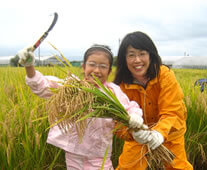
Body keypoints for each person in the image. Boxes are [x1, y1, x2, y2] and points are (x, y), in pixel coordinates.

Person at [18, 44, 145, 170]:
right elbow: (42, 86)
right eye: (92, 64)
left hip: (99, 155)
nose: (96, 70)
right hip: (73, 154)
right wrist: (29, 66)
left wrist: (135, 116)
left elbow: (130, 107)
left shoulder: (112, 92)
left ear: (109, 71)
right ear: (84, 67)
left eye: (103, 66)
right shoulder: (73, 88)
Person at [114, 31, 193, 170]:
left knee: (178, 166)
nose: (137, 60)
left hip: (170, 133)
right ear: (124, 59)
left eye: (142, 53)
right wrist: (132, 132)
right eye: (131, 55)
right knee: (127, 167)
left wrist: (159, 133)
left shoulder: (164, 75)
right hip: (138, 135)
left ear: (151, 55)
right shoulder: (120, 86)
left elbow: (172, 112)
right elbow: (116, 122)